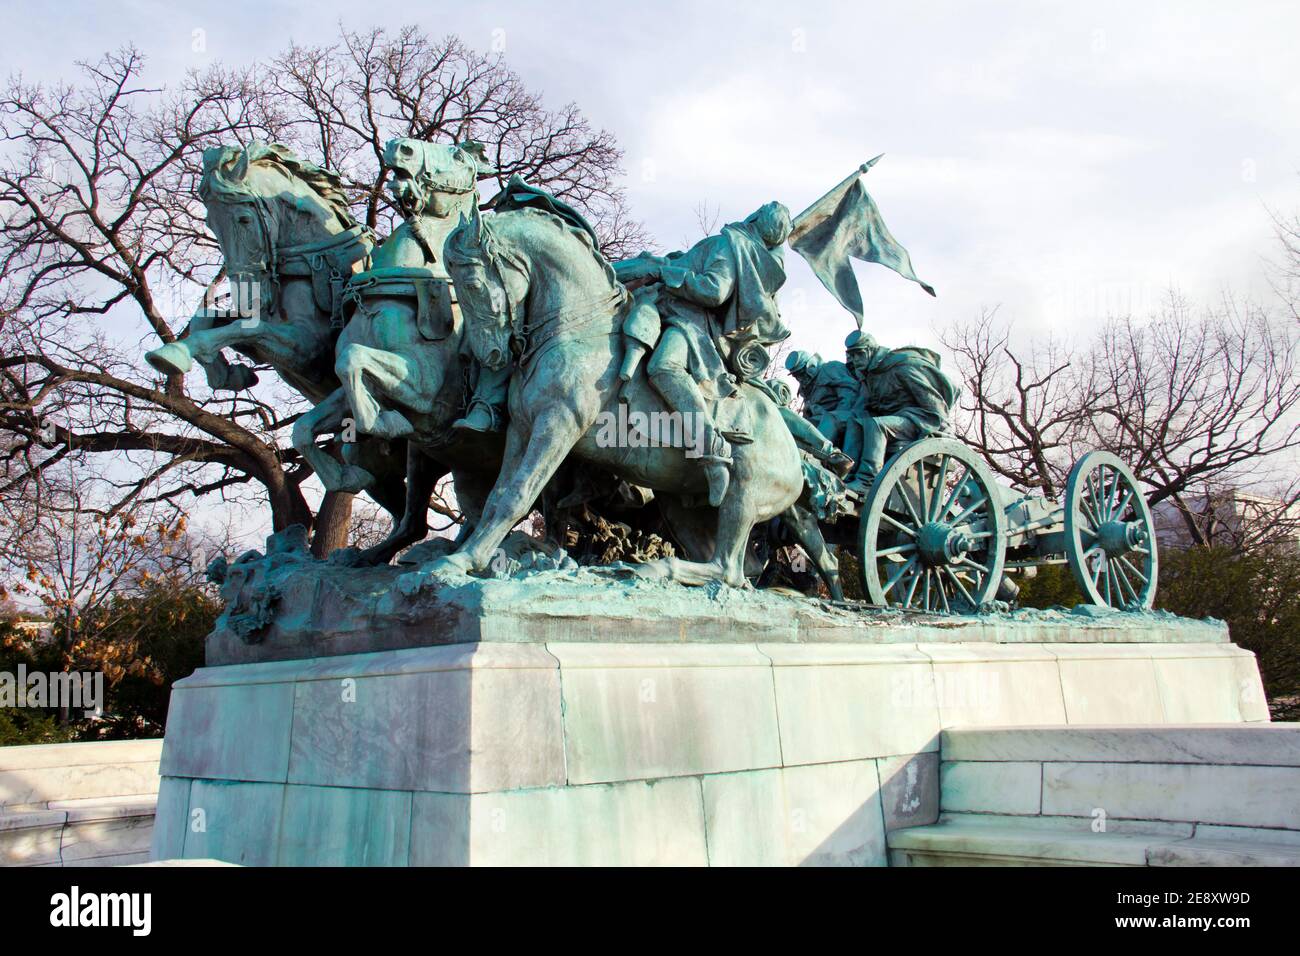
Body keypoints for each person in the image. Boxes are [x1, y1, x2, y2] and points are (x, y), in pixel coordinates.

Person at [616, 201, 794, 506]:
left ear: (756, 218)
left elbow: (715, 290)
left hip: (690, 323)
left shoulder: (730, 244)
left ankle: (712, 449)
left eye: (763, 208)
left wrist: (667, 273)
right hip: (665, 308)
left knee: (664, 367)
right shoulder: (732, 244)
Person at [843, 329, 959, 491]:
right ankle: (844, 475)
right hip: (895, 418)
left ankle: (867, 481)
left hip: (919, 419)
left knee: (876, 425)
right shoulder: (869, 374)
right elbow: (863, 405)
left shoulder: (902, 365)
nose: (855, 360)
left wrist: (943, 430)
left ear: (871, 350)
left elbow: (933, 401)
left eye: (859, 354)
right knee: (855, 422)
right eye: (852, 355)